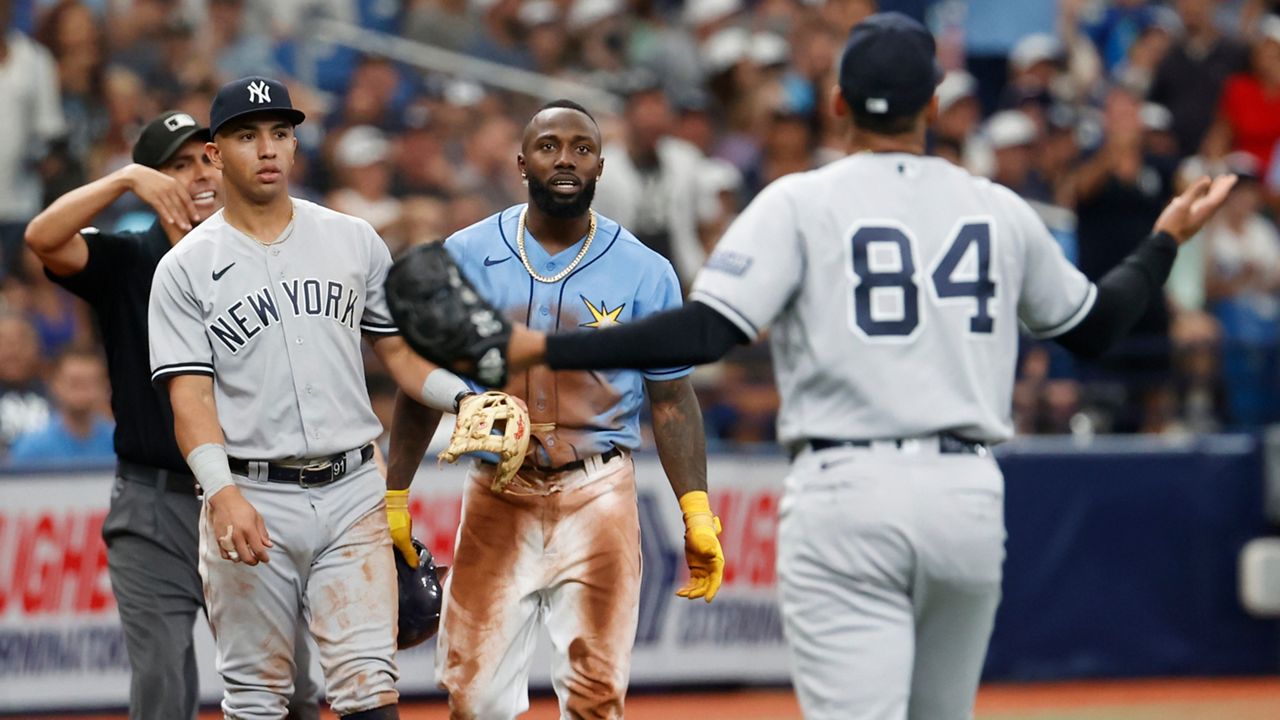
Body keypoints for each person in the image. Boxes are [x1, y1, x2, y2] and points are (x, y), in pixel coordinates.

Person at [399, 14, 1237, 720]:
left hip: (847, 489)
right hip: (968, 494)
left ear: (837, 106)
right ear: (936, 105)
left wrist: (547, 348)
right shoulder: (996, 206)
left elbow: (702, 332)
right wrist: (1163, 241)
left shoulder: (802, 201)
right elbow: (1097, 327)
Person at [386, 99, 724, 720]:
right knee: (475, 698)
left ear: (600, 165)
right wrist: (395, 496)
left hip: (599, 489)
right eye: (549, 146)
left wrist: (696, 510)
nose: (565, 158)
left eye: (581, 147)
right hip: (498, 489)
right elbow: (418, 384)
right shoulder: (464, 253)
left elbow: (672, 396)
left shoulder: (648, 271)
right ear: (521, 162)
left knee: (597, 697)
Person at [146, 76, 470, 720]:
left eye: (280, 134)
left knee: (370, 689)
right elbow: (190, 401)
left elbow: (399, 354)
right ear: (213, 154)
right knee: (260, 697)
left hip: (353, 488)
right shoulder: (184, 268)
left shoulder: (352, 239)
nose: (267, 148)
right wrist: (223, 492)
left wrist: (463, 397)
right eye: (246, 136)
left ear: (295, 147)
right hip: (251, 491)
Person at [23, 109, 323, 720]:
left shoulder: (265, 253)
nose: (196, 175)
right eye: (175, 166)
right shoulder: (132, 257)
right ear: (154, 179)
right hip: (153, 502)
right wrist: (121, 180)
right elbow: (42, 239)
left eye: (204, 158)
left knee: (289, 686)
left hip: (249, 494)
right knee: (161, 683)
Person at [8, 348, 112, 463]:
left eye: (90, 383)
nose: (82, 391)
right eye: (74, 383)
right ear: (55, 384)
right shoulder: (32, 446)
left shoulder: (120, 442)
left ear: (104, 386)